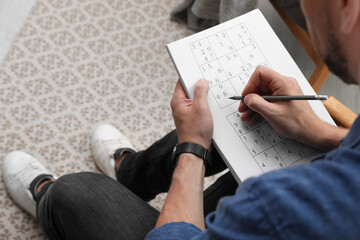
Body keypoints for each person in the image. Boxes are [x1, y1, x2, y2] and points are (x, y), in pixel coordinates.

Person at [3, 0, 360, 239]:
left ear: (347, 7)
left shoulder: (276, 206)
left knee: (74, 193)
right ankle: (129, 174)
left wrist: (192, 148)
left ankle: (48, 203)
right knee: (254, 127)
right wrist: (322, 132)